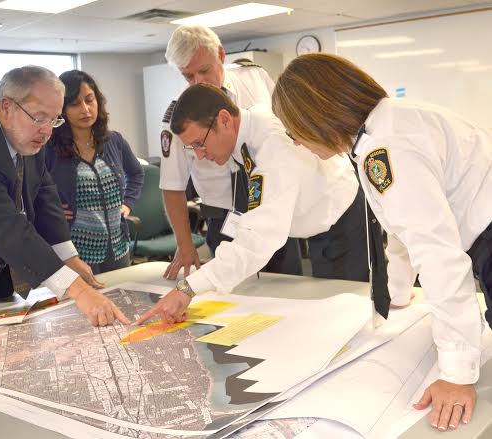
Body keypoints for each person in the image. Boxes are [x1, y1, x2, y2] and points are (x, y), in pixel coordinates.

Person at [271, 53, 491, 432]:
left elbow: (438, 254)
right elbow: (403, 229)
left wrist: (456, 373)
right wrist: (399, 293)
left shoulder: (384, 149)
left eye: (293, 130)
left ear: (314, 116)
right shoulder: (387, 125)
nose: (296, 142)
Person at [135, 83, 368, 323]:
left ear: (224, 120)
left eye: (199, 143)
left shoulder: (273, 146)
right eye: (192, 148)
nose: (200, 155)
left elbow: (259, 239)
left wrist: (187, 289)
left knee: (344, 311)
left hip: (341, 217)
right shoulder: (245, 132)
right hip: (306, 217)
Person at [0, 65, 129, 327]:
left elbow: (44, 192)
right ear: (7, 106)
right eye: (41, 118)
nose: (48, 131)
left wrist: (69, 257)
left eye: (54, 119)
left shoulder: (27, 130)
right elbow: (6, 226)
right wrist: (77, 289)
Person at [160, 24, 303, 280]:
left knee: (289, 285)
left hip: (273, 205)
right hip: (225, 218)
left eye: (204, 70)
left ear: (221, 55)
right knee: (238, 298)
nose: (198, 82)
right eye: (188, 76)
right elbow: (173, 186)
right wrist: (185, 245)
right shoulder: (177, 118)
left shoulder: (254, 77)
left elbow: (288, 128)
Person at [45, 70, 144, 274]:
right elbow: (31, 191)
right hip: (77, 253)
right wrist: (51, 211)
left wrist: (127, 204)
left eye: (90, 100)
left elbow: (137, 174)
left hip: (118, 249)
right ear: (61, 109)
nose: (85, 109)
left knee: (121, 300)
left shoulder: (113, 140)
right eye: (74, 104)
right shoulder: (49, 149)